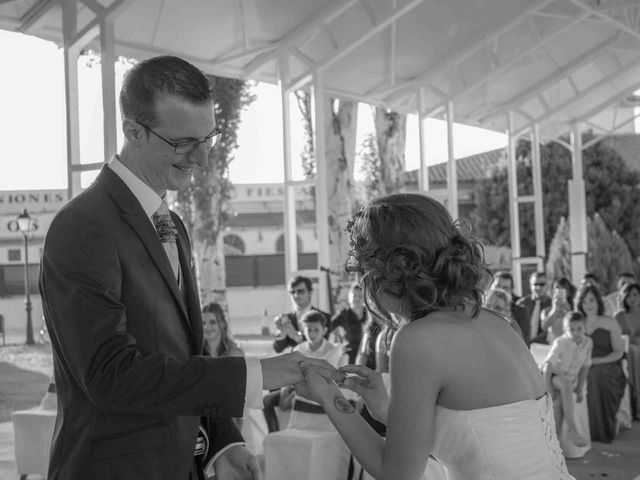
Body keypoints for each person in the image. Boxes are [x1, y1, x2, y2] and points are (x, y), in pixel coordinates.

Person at [39, 55, 337, 480]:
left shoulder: (172, 224)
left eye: (208, 139)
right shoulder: (82, 227)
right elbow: (109, 375)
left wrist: (221, 439)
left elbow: (184, 351)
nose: (201, 159)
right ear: (133, 131)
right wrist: (258, 373)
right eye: (183, 143)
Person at [295, 193, 574, 479]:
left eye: (364, 273)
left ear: (390, 272)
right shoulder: (499, 324)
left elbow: (397, 474)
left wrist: (328, 397)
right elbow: (483, 438)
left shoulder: (416, 340)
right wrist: (388, 413)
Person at [576, 284, 627, 443]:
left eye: (591, 300)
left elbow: (618, 351)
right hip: (583, 364)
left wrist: (597, 361)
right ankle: (584, 429)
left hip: (609, 364)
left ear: (598, 301)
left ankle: (602, 430)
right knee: (586, 373)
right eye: (584, 302)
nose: (588, 305)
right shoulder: (576, 323)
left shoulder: (609, 321)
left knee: (597, 374)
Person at [543, 311, 592, 447]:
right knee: (565, 385)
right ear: (565, 329)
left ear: (584, 327)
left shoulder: (588, 342)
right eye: (571, 329)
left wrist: (581, 389)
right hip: (555, 376)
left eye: (579, 329)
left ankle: (555, 445)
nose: (575, 333)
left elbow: (585, 367)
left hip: (572, 380)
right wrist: (548, 390)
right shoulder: (560, 342)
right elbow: (547, 366)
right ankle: (572, 429)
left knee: (560, 400)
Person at [272, 275, 331, 353]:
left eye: (301, 291)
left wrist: (296, 336)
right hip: (295, 363)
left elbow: (323, 346)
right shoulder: (288, 318)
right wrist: (281, 333)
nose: (296, 295)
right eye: (292, 292)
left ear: (310, 293)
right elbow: (278, 349)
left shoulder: (325, 317)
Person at [615, 282, 640, 419]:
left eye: (635, 295)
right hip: (627, 355)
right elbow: (617, 338)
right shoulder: (619, 316)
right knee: (633, 351)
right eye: (629, 295)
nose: (632, 298)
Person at [332, 283, 369, 364]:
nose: (357, 298)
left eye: (360, 295)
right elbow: (328, 326)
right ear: (349, 296)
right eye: (354, 294)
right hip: (350, 356)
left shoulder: (369, 314)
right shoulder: (344, 315)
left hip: (368, 355)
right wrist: (337, 345)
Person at [515, 271, 552, 345]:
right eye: (535, 284)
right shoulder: (521, 303)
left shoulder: (552, 305)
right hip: (522, 346)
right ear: (530, 286)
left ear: (548, 286)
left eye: (542, 284)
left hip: (543, 348)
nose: (538, 287)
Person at [541, 277, 576, 343]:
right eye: (557, 288)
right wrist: (554, 310)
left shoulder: (574, 310)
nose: (559, 291)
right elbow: (544, 327)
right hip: (552, 346)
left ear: (568, 292)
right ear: (553, 291)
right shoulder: (546, 311)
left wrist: (568, 310)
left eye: (563, 288)